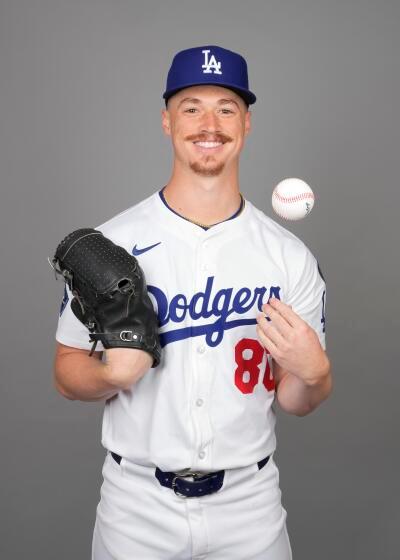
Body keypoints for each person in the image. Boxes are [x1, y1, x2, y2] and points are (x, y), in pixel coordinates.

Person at [54, 45, 332, 560]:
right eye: (191, 108)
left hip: (250, 508)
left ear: (246, 123)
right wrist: (111, 376)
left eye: (226, 108)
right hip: (135, 507)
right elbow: (67, 370)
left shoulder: (289, 257)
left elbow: (296, 400)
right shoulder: (110, 244)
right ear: (166, 122)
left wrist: (314, 376)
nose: (210, 124)